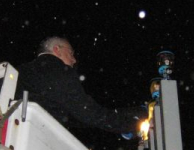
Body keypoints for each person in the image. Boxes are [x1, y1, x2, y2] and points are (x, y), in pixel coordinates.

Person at [15, 36, 147, 137]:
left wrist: (127, 118)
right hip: (34, 138)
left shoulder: (22, 71)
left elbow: (74, 117)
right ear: (57, 49)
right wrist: (134, 121)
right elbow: (89, 113)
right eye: (71, 53)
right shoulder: (57, 69)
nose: (74, 60)